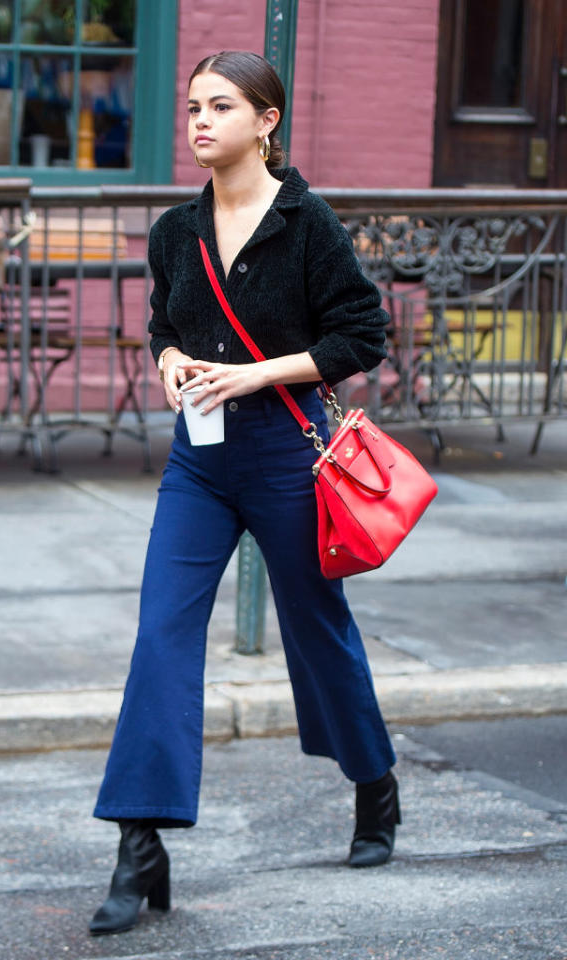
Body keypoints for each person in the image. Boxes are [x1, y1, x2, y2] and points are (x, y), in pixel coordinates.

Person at [89, 50, 400, 937]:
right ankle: (138, 842)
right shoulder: (174, 230)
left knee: (317, 625)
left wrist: (255, 375)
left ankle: (374, 786)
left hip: (285, 453)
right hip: (200, 457)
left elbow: (361, 335)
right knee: (160, 632)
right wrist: (172, 361)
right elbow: (163, 326)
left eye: (219, 106)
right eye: (192, 107)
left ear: (267, 120)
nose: (197, 121)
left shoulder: (306, 222)